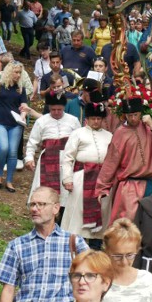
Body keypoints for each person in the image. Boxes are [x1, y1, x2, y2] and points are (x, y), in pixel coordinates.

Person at [0, 187, 89, 302]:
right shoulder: (17, 245)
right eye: (32, 204)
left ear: (56, 208)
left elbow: (93, 282)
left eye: (41, 204)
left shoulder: (74, 243)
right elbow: (8, 290)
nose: (34, 209)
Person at [96, 96, 152, 221]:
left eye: (135, 114)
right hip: (130, 186)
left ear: (141, 113)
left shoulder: (148, 127)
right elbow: (111, 161)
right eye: (130, 115)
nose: (133, 118)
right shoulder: (120, 133)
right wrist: (102, 187)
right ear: (125, 115)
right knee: (129, 222)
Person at [60, 102, 113, 246]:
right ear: (87, 119)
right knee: (78, 216)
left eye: (99, 119)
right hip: (81, 179)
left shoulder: (109, 136)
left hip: (102, 180)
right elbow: (67, 158)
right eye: (93, 118)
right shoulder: (78, 133)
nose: (96, 121)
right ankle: (76, 248)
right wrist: (67, 179)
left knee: (102, 212)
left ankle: (95, 249)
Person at [24, 92, 82, 205]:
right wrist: (29, 158)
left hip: (68, 159)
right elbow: (32, 142)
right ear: (49, 108)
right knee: (47, 191)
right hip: (48, 159)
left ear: (64, 108)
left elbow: (79, 140)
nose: (56, 112)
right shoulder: (41, 121)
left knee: (66, 189)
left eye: (59, 109)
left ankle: (64, 214)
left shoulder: (73, 120)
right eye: (53, 109)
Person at [0, 61, 28, 193]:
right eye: (16, 72)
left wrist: (23, 115)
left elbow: (24, 106)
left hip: (16, 124)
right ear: (9, 72)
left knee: (13, 152)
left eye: (20, 72)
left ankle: (9, 180)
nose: (18, 75)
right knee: (4, 147)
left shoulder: (21, 89)